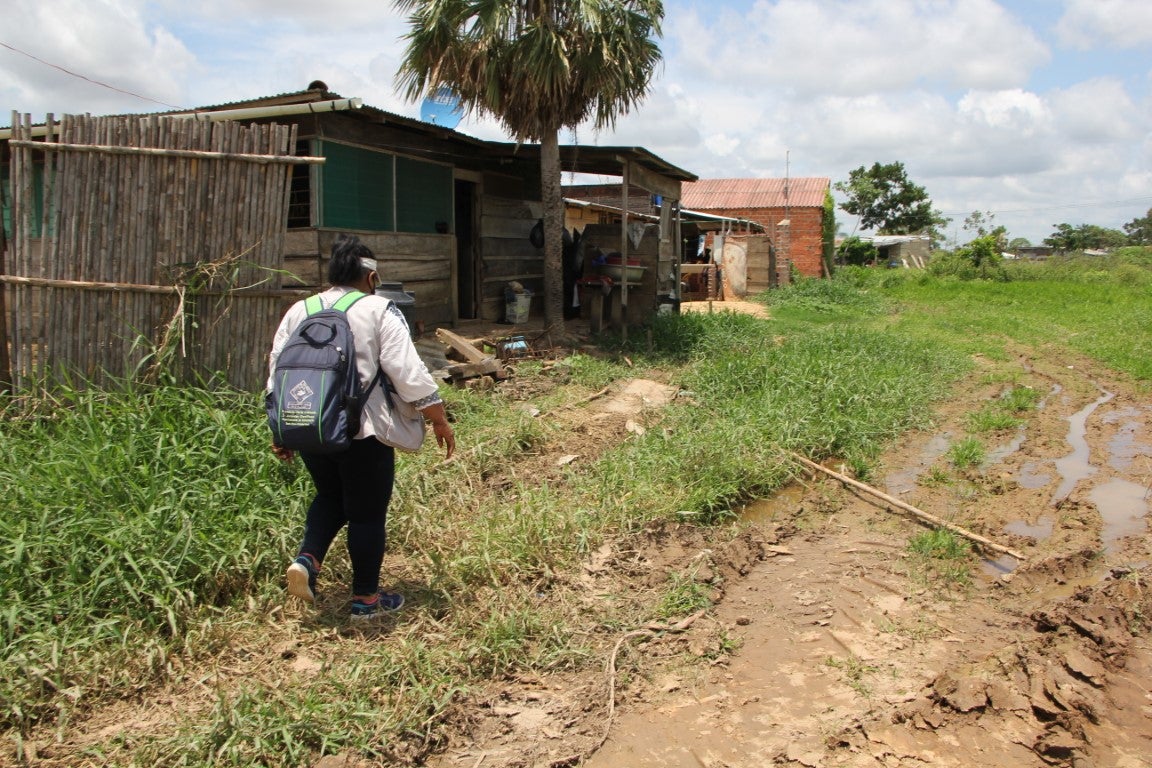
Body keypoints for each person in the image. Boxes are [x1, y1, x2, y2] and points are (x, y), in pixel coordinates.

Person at [267, 235, 455, 619]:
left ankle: (306, 561)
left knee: (330, 497)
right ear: (372, 278)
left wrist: (281, 430)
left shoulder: (299, 310)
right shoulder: (378, 309)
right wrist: (437, 417)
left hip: (311, 426)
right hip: (362, 431)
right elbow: (408, 371)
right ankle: (366, 601)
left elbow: (277, 373)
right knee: (367, 513)